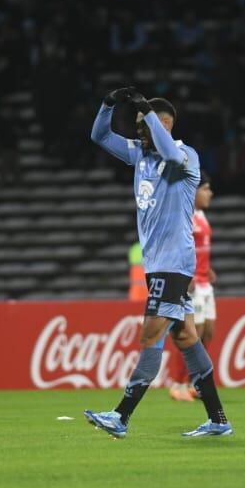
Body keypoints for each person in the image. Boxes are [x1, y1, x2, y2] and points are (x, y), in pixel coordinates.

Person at [84, 87, 232, 438]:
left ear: (162, 124)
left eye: (142, 124)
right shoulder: (141, 156)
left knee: (150, 334)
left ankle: (121, 416)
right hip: (158, 265)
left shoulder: (185, 155)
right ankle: (218, 420)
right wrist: (108, 104)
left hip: (173, 264)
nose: (137, 131)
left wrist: (147, 112)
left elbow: (167, 148)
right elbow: (99, 135)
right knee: (186, 338)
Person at [167, 176, 217, 402]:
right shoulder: (185, 215)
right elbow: (177, 246)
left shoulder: (202, 216)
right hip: (193, 282)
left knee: (207, 333)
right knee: (190, 334)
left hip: (205, 282)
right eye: (206, 189)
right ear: (194, 191)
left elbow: (199, 248)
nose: (210, 193)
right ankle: (178, 384)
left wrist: (209, 268)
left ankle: (193, 381)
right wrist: (185, 275)